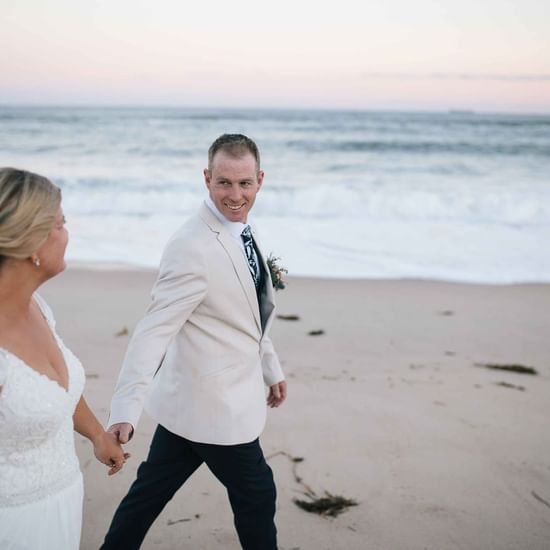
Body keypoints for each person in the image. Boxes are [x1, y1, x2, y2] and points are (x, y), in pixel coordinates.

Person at [102, 134, 287, 550]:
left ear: (260, 180)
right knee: (258, 493)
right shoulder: (191, 245)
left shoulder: (240, 227)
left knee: (148, 494)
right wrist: (125, 410)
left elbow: (251, 313)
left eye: (244, 183)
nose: (235, 195)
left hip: (185, 404)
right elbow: (154, 330)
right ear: (206, 179)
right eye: (224, 183)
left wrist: (270, 367)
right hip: (217, 408)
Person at [0, 168, 129, 550]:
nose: (67, 234)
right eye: (59, 224)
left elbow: (56, 390)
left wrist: (97, 434)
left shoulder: (38, 307)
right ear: (32, 243)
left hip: (62, 501)